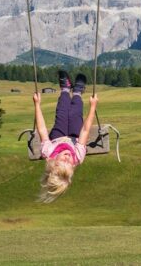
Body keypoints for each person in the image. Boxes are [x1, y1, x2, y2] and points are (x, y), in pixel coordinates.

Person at [32, 71, 98, 203]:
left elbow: (42, 129)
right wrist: (93, 106)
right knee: (75, 114)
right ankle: (78, 92)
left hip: (57, 136)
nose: (68, 157)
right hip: (75, 137)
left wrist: (37, 104)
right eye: (70, 163)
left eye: (63, 160)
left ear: (53, 162)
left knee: (62, 111)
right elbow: (85, 130)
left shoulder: (48, 152)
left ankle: (65, 89)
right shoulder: (77, 156)